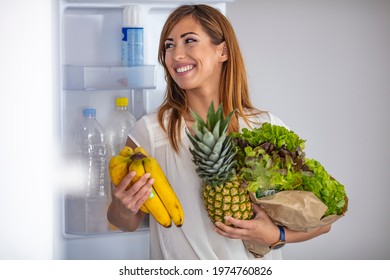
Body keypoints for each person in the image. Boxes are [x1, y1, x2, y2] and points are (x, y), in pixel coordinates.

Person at [107, 4, 331, 260]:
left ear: (222, 50)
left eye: (189, 41)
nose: (176, 55)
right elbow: (125, 222)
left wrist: (276, 235)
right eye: (169, 46)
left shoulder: (266, 128)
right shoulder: (151, 130)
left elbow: (323, 221)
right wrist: (121, 207)